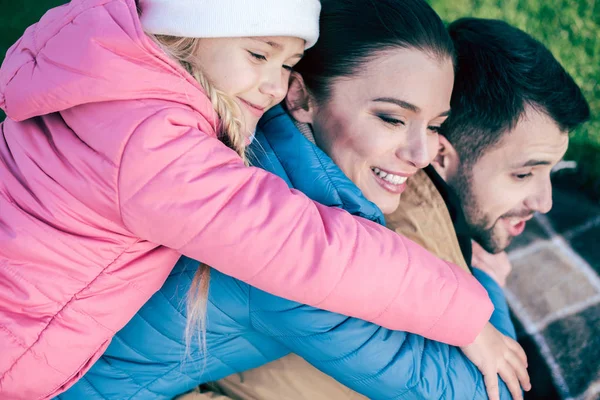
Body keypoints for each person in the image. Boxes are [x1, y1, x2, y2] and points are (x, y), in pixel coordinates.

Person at [0, 0, 500, 397]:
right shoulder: (155, 149)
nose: (273, 86)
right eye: (258, 54)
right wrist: (476, 305)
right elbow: (312, 250)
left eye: (288, 63)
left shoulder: (125, 92)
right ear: (186, 34)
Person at [192, 16, 591, 400]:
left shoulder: (332, 182)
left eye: (434, 125)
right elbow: (492, 393)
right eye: (523, 175)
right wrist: (486, 286)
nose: (546, 202)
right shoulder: (311, 241)